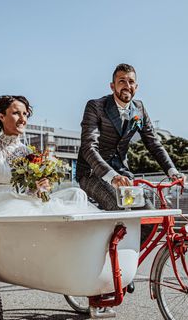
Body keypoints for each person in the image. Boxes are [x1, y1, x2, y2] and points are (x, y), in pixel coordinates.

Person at [0, 95, 97, 226]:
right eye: (16, 113)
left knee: (77, 193)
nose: (22, 119)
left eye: (25, 114)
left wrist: (41, 188)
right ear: (1, 116)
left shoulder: (28, 152)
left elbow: (31, 193)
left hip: (23, 202)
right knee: (19, 206)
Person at [76, 63, 182, 217]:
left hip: (122, 173)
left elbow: (153, 143)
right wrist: (112, 177)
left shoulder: (139, 109)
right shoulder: (95, 107)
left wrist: (173, 171)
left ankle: (133, 242)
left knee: (149, 215)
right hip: (92, 173)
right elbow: (89, 147)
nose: (127, 86)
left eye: (131, 82)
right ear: (112, 86)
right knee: (121, 212)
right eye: (122, 81)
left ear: (136, 87)